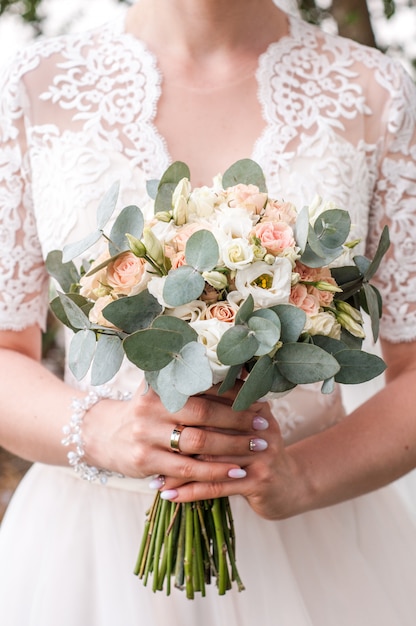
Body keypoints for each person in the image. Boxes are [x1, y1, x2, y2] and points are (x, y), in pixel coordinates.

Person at [0, 0, 416, 624]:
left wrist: (304, 476)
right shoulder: (32, 88)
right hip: (87, 553)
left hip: (318, 546)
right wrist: (104, 432)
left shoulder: (375, 92)